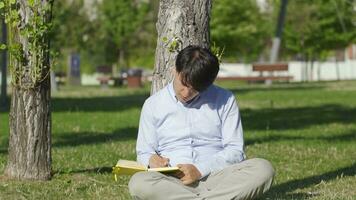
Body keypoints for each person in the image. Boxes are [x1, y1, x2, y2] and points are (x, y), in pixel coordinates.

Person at [129, 45, 275, 200]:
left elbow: (235, 150)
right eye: (184, 84)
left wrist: (199, 170)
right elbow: (144, 151)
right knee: (139, 182)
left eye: (195, 89)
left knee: (263, 169)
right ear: (175, 71)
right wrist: (152, 160)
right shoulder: (153, 104)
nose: (186, 93)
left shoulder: (225, 99)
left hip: (217, 177)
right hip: (172, 181)